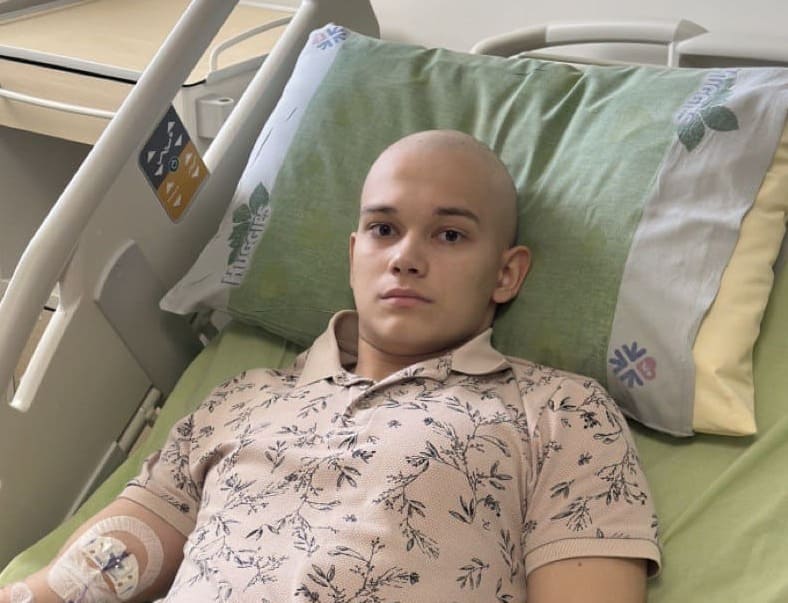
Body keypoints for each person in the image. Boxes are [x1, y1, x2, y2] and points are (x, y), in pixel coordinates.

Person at [1, 130, 660, 603]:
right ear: (352, 255)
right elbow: (106, 562)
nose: (405, 257)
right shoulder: (241, 398)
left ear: (507, 273)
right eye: (383, 229)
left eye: (450, 234)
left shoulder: (559, 411)